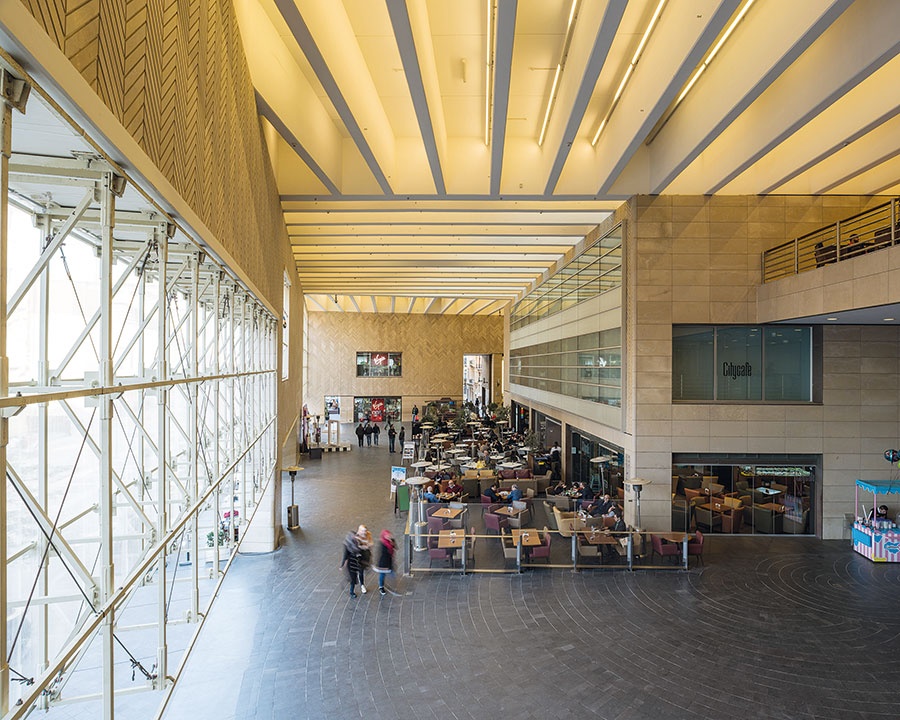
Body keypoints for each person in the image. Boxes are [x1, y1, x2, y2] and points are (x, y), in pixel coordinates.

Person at [340, 531, 363, 598]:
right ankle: (351, 592)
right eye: (354, 536)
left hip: (356, 562)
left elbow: (360, 551)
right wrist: (342, 565)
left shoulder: (357, 542)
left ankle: (352, 588)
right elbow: (345, 556)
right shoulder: (347, 545)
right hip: (350, 564)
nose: (355, 537)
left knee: (355, 576)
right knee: (353, 578)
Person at [374, 530, 396, 595]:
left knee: (391, 573)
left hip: (389, 561)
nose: (388, 536)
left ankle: (386, 584)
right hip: (383, 563)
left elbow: (395, 547)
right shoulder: (382, 544)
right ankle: (381, 586)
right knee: (382, 574)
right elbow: (382, 553)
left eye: (389, 535)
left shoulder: (391, 541)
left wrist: (392, 543)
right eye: (387, 535)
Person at [355, 525, 373, 593]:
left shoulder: (368, 534)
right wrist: (364, 546)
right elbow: (356, 547)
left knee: (366, 566)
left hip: (366, 554)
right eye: (362, 531)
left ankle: (366, 567)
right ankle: (362, 585)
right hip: (359, 556)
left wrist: (365, 546)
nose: (364, 532)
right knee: (361, 571)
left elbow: (371, 543)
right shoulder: (356, 537)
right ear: (359, 531)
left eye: (365, 531)